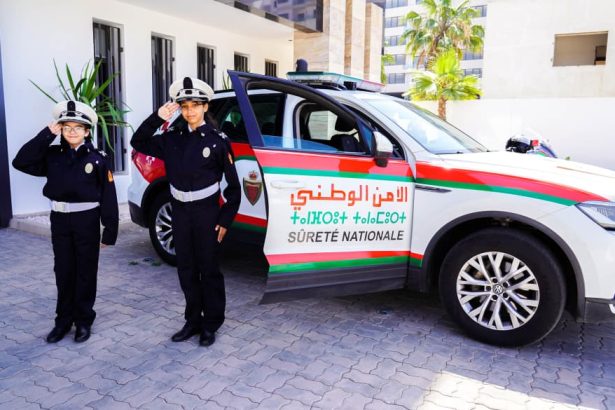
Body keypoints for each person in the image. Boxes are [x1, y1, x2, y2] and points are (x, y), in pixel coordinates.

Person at [131, 77, 241, 346]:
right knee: (186, 270)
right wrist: (157, 117)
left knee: (209, 270)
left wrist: (225, 220)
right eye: (185, 106)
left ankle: (211, 323)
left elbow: (233, 187)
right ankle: (192, 321)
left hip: (206, 213)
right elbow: (138, 140)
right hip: (179, 212)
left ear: (205, 107)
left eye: (195, 105)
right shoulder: (172, 139)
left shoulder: (217, 141)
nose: (190, 111)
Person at [12, 100, 119, 343]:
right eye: (66, 127)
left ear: (87, 131)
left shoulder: (98, 159)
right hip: (60, 220)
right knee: (63, 270)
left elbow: (108, 196)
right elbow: (21, 161)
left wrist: (109, 230)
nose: (72, 132)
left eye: (77, 127)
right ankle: (63, 321)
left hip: (87, 220)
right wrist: (46, 135)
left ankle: (83, 321)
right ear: (60, 129)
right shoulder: (52, 155)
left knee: (85, 271)